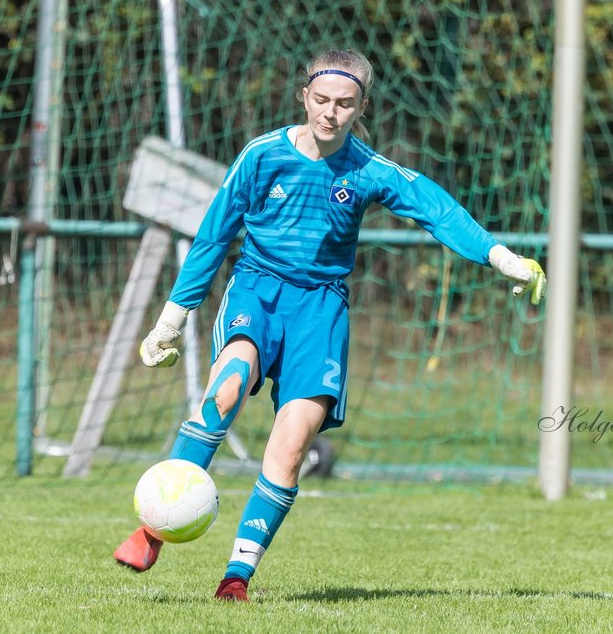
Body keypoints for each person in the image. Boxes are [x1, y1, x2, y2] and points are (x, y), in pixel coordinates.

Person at [112, 49, 545, 602]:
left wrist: (500, 256)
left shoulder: (367, 170)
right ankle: (153, 531)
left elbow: (437, 209)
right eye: (321, 100)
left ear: (362, 106)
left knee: (291, 446)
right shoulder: (261, 156)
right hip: (257, 291)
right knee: (226, 387)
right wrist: (171, 321)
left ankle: (236, 578)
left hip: (321, 311)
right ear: (304, 97)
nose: (330, 113)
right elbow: (213, 236)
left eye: (344, 104)